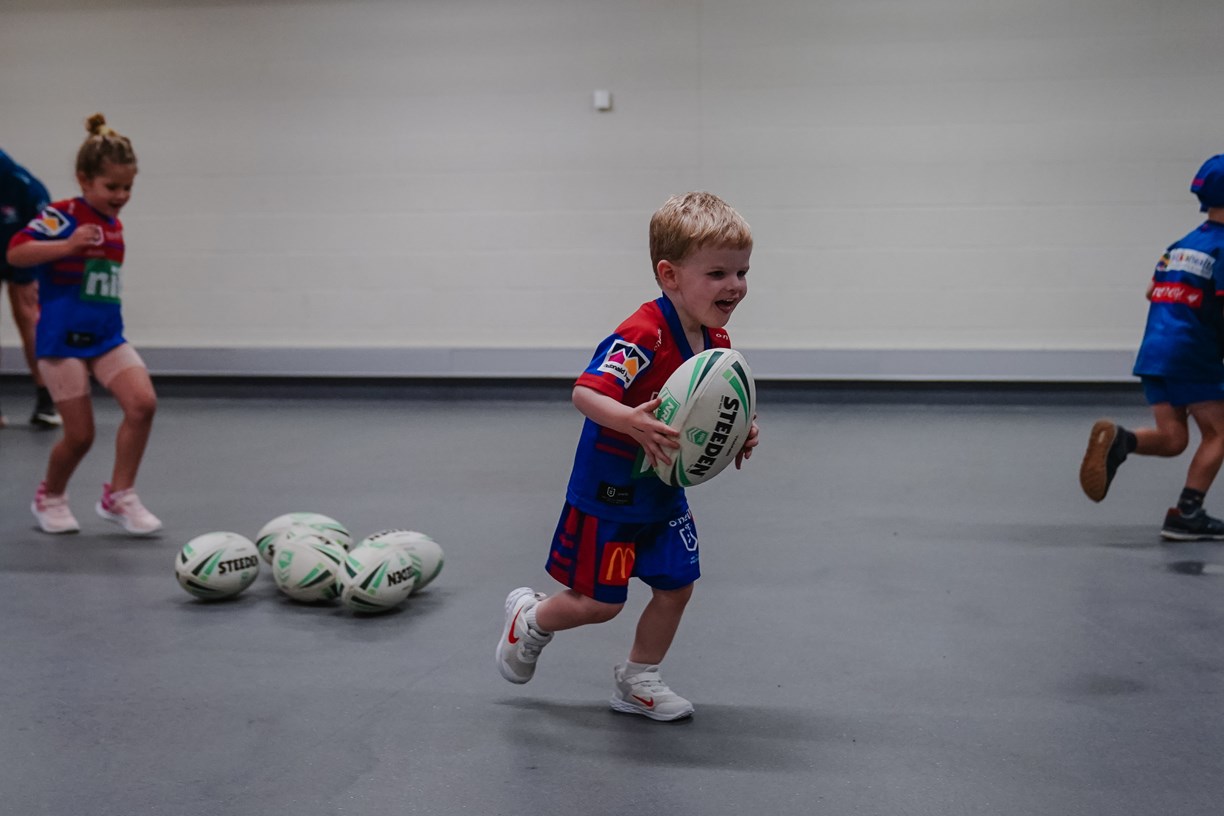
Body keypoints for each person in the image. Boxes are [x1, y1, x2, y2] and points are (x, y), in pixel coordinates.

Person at [495, 192, 760, 721]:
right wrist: (629, 420)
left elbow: (709, 405)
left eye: (742, 272)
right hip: (610, 493)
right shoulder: (643, 333)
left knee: (677, 587)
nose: (734, 285)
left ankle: (638, 679)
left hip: (663, 490)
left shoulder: (716, 337)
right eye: (717, 273)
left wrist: (737, 431)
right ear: (669, 275)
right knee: (600, 604)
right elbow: (585, 393)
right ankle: (531, 619)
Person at [5, 114, 161, 536]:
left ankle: (119, 495)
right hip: (62, 341)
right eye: (112, 187)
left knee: (142, 404)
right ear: (84, 180)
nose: (121, 196)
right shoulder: (63, 215)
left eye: (128, 188)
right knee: (80, 435)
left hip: (106, 337)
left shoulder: (114, 224)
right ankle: (50, 496)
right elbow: (16, 252)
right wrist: (66, 245)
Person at [1080, 154, 1224, 541]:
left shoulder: (1180, 246)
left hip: (1155, 352)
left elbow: (1151, 291)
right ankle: (1187, 513)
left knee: (1174, 439)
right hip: (1193, 353)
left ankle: (1122, 441)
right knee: (1219, 433)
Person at [0, 148, 61, 428]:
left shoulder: (26, 187)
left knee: (28, 317)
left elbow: (49, 231)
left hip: (23, 249)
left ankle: (46, 400)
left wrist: (29, 271)